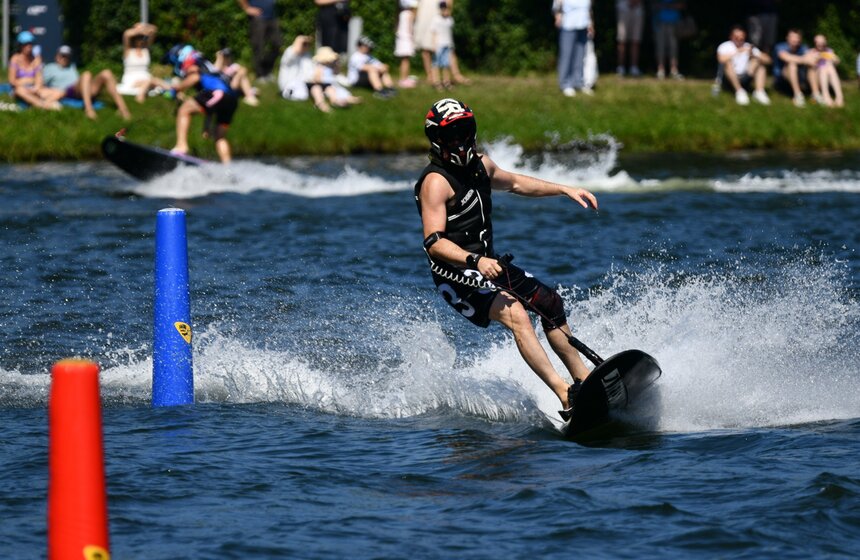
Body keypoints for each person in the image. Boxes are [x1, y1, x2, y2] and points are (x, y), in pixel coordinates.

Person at [414, 98, 598, 419]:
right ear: (438, 141)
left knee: (549, 303)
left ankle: (585, 379)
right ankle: (566, 395)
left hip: (488, 263)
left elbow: (514, 182)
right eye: (451, 135)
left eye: (464, 131)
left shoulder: (481, 165)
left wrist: (565, 189)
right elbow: (433, 243)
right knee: (517, 315)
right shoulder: (435, 182)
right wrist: (474, 262)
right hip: (455, 273)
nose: (460, 141)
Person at [166, 45, 238, 163]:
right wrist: (207, 126)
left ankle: (181, 146)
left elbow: (194, 77)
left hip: (214, 93)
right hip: (231, 99)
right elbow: (211, 107)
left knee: (184, 110)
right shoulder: (206, 63)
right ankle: (227, 167)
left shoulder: (193, 63)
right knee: (220, 136)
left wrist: (176, 89)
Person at [42, 45, 131, 120]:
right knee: (86, 74)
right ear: (57, 56)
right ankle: (88, 110)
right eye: (62, 55)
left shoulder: (71, 66)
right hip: (67, 91)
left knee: (106, 73)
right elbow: (42, 84)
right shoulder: (50, 67)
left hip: (82, 89)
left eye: (67, 56)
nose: (64, 58)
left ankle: (123, 109)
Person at [717, 25, 771, 106]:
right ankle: (739, 91)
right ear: (731, 36)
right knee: (728, 63)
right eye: (736, 37)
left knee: (760, 64)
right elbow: (721, 59)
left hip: (745, 76)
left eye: (741, 37)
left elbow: (768, 60)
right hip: (728, 79)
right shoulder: (725, 46)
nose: (739, 39)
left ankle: (759, 92)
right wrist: (738, 51)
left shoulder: (748, 47)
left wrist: (753, 54)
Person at [118, 23, 171, 103]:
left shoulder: (145, 50)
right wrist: (138, 30)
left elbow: (154, 29)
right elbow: (126, 34)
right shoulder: (128, 51)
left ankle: (176, 92)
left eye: (142, 37)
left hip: (146, 77)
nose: (140, 40)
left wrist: (143, 26)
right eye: (138, 38)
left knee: (153, 80)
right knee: (152, 81)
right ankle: (140, 97)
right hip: (132, 79)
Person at [7, 31, 61, 110]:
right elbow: (12, 81)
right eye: (26, 44)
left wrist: (35, 87)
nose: (29, 46)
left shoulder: (36, 59)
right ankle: (43, 106)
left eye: (30, 43)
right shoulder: (15, 59)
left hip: (35, 88)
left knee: (59, 92)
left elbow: (39, 79)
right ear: (20, 46)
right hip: (20, 89)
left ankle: (39, 102)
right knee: (20, 91)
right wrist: (29, 81)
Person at [553, 0, 593, 97]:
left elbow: (589, 7)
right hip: (568, 24)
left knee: (580, 55)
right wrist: (557, 16)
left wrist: (591, 23)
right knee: (567, 55)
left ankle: (578, 82)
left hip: (583, 24)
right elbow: (557, 5)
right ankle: (565, 83)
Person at [236, 0, 283, 81]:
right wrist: (247, 8)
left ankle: (267, 71)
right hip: (258, 18)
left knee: (278, 44)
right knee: (258, 46)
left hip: (272, 16)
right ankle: (260, 74)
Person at [773, 29, 820, 108]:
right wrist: (804, 59)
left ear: (800, 39)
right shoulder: (780, 46)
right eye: (792, 37)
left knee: (811, 66)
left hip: (800, 77)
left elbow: (813, 58)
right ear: (787, 38)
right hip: (782, 79)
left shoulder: (803, 47)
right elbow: (786, 57)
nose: (795, 39)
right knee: (792, 64)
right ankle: (798, 95)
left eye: (797, 37)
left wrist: (811, 57)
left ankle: (816, 94)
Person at [307, 46, 360, 112]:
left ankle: (344, 99)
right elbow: (317, 79)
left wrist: (336, 64)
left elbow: (336, 72)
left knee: (338, 90)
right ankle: (330, 102)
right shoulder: (320, 67)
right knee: (332, 90)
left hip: (332, 84)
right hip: (324, 84)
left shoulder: (331, 66)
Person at [651, 0, 684, 79]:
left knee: (674, 48)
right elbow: (653, 5)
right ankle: (660, 70)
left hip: (674, 22)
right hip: (659, 22)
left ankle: (674, 70)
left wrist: (671, 6)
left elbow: (682, 5)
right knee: (660, 47)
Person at [811, 34, 844, 108]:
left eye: (822, 42)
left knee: (830, 67)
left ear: (825, 42)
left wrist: (835, 60)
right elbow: (811, 66)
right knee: (824, 68)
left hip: (828, 75)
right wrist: (818, 58)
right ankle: (825, 96)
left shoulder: (829, 51)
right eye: (818, 42)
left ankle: (839, 96)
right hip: (817, 76)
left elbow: (837, 60)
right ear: (815, 43)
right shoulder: (812, 51)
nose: (820, 44)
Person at [278, 35, 315, 100]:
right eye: (304, 44)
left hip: (305, 83)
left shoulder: (307, 54)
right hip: (289, 83)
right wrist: (300, 41)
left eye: (307, 44)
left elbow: (310, 70)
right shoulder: (290, 51)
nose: (306, 46)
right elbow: (292, 55)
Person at [430, 1, 454, 90]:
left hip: (447, 44)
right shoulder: (436, 19)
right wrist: (433, 45)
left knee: (446, 64)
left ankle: (446, 82)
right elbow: (433, 33)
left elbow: (449, 33)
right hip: (438, 45)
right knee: (436, 64)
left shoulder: (449, 19)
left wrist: (451, 45)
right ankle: (437, 82)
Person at [615, 0, 643, 77]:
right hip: (623, 8)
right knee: (621, 40)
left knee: (636, 40)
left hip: (637, 9)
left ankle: (634, 67)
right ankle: (621, 67)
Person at [395, 0, 419, 88]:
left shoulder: (402, 14)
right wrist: (412, 37)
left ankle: (404, 78)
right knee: (406, 59)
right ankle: (403, 79)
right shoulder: (409, 14)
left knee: (404, 60)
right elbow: (410, 29)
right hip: (406, 39)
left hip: (402, 38)